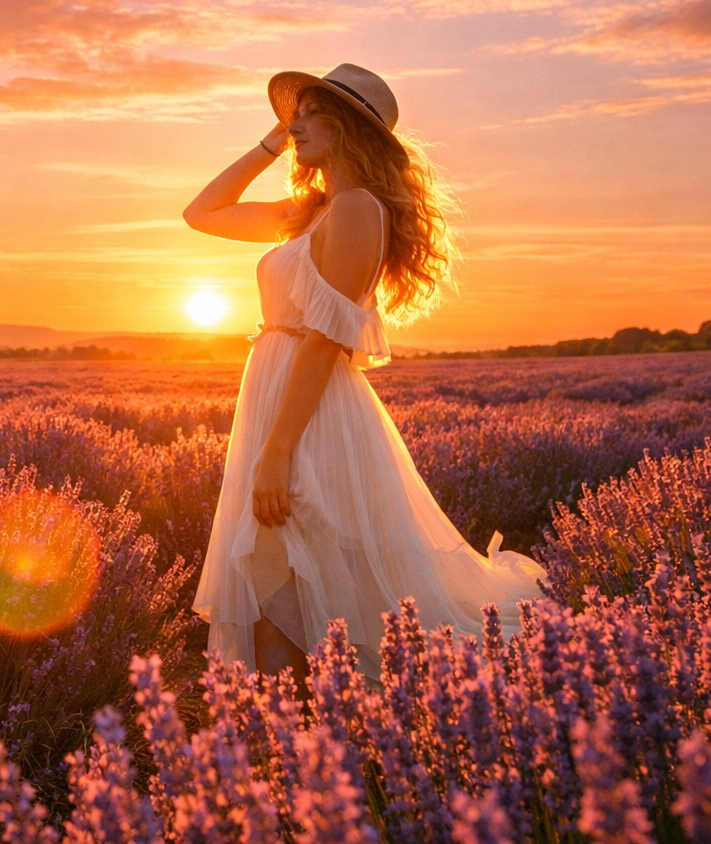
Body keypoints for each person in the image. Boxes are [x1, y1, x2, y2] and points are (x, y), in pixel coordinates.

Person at [186, 64, 545, 681]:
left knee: (283, 557)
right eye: (293, 115)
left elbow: (325, 341)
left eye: (310, 113)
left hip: (309, 410)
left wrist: (276, 451)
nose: (296, 124)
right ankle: (293, 737)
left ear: (351, 128)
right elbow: (203, 212)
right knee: (276, 565)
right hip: (280, 396)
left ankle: (300, 737)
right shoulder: (312, 210)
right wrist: (272, 141)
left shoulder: (356, 209)